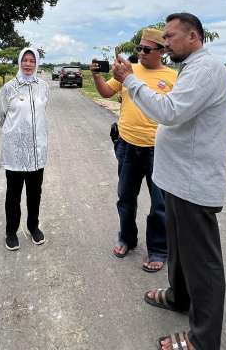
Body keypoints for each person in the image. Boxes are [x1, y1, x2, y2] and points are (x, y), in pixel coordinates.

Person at [113, 13, 226, 350]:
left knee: (202, 262)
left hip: (194, 181)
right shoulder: (191, 67)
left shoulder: (205, 69)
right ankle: (179, 296)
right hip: (180, 179)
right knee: (180, 248)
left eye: (170, 36)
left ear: (193, 37)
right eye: (164, 37)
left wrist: (131, 80)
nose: (166, 43)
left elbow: (170, 112)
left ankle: (202, 339)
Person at [90, 28, 177, 272]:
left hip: (159, 150)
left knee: (160, 204)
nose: (140, 53)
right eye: (139, 48)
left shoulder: (172, 76)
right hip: (127, 146)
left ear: (162, 52)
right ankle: (127, 238)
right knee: (125, 198)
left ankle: (159, 249)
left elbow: (177, 113)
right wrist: (96, 76)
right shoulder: (128, 70)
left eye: (146, 50)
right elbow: (107, 92)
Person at [0, 47, 50, 250]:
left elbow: (43, 111)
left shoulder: (43, 86)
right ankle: (11, 231)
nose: (28, 64)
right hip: (16, 151)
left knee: (35, 193)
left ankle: (33, 227)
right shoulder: (9, 88)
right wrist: (16, 134)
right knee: (13, 194)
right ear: (19, 62)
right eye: (25, 60)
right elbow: (0, 116)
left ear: (36, 64)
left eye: (32, 61)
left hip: (37, 151)